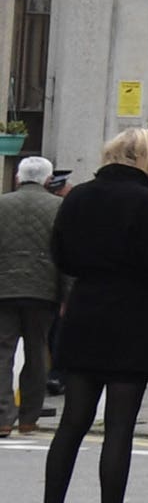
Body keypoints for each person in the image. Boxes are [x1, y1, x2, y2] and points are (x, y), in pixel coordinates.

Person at [33, 129, 148, 503]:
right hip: (133, 317)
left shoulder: (77, 197)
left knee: (72, 423)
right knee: (119, 426)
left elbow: (60, 256)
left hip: (84, 313)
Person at [0, 154, 56, 435]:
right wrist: (67, 295)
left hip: (4, 291)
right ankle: (29, 418)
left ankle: (2, 418)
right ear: (49, 180)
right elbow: (65, 255)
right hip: (43, 291)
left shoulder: (1, 204)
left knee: (2, 354)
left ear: (18, 178)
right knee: (37, 353)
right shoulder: (59, 207)